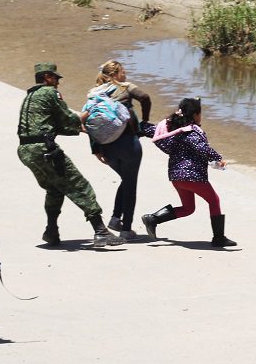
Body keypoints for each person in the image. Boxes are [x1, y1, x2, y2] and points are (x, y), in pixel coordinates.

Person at [17, 62, 125, 247]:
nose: (58, 82)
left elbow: (54, 125)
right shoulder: (50, 93)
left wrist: (78, 129)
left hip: (26, 151)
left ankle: (51, 231)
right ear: (47, 77)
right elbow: (68, 118)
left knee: (54, 189)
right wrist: (89, 112)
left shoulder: (30, 96)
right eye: (55, 78)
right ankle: (100, 231)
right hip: (44, 150)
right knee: (80, 186)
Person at [141, 97, 237, 247]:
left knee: (188, 208)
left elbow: (152, 130)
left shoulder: (174, 129)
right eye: (200, 113)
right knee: (214, 200)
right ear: (195, 115)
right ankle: (219, 238)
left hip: (176, 177)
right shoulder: (190, 132)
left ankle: (152, 219)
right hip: (191, 176)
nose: (201, 116)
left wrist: (137, 128)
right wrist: (218, 158)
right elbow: (202, 148)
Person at [84, 59, 152, 239]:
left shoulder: (93, 93)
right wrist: (144, 122)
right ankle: (126, 229)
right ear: (114, 74)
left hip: (106, 146)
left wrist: (95, 148)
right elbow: (145, 97)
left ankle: (115, 218)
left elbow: (92, 122)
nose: (125, 75)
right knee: (130, 184)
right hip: (128, 143)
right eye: (123, 71)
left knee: (126, 179)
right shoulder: (125, 87)